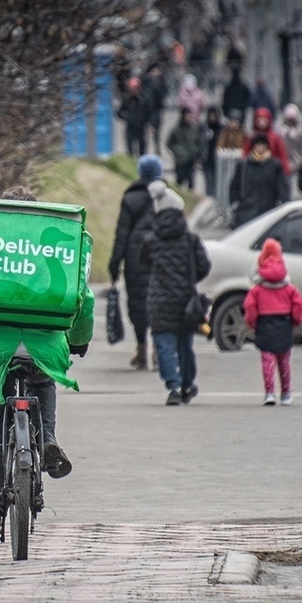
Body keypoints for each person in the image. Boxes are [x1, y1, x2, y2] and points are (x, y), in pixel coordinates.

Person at [0, 186, 94, 544]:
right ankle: (49, 439)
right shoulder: (56, 248)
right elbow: (82, 301)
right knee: (43, 382)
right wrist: (78, 340)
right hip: (45, 347)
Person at [139, 180, 211, 406]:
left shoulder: (151, 240)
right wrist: (189, 279)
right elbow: (204, 266)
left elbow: (142, 264)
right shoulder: (191, 240)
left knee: (164, 346)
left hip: (158, 301)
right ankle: (188, 383)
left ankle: (174, 385)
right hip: (185, 301)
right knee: (184, 345)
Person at [109, 154, 162, 370]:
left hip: (135, 260)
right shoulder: (166, 197)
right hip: (161, 258)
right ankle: (160, 350)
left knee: (138, 304)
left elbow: (121, 234)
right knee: (160, 304)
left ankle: (141, 349)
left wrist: (114, 264)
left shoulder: (131, 198)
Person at [242, 239, 302, 406]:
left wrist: (252, 323)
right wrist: (296, 320)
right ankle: (286, 393)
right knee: (284, 361)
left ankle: (269, 392)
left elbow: (249, 306)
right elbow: (299, 304)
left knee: (267, 360)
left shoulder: (258, 289)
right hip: (284, 323)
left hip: (265, 323)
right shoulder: (289, 288)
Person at [230, 133, 290, 228]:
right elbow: (235, 185)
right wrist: (234, 204)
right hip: (245, 213)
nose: (260, 148)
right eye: (258, 145)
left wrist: (285, 206)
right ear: (253, 147)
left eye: (263, 145)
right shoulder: (243, 165)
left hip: (268, 212)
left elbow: (282, 187)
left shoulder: (275, 165)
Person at [166, 107, 208, 192]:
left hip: (191, 160)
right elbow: (169, 143)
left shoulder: (194, 128)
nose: (189, 118)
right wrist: (178, 151)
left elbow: (200, 142)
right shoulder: (176, 129)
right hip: (180, 161)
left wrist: (196, 152)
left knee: (191, 183)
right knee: (179, 183)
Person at [242, 107, 291, 175]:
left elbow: (282, 154)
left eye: (264, 120)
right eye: (259, 120)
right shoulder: (252, 137)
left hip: (271, 172)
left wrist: (285, 170)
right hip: (254, 170)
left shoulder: (275, 138)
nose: (262, 123)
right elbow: (245, 154)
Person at [118, 76, 151, 156]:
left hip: (141, 126)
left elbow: (150, 112)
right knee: (130, 150)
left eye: (135, 89)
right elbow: (119, 112)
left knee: (142, 149)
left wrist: (148, 123)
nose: (133, 91)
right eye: (131, 89)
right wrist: (127, 118)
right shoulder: (127, 99)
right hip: (130, 127)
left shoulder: (144, 99)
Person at [140, 63, 170, 152]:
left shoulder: (161, 82)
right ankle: (145, 150)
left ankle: (157, 149)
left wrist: (158, 81)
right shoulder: (146, 81)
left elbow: (164, 93)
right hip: (146, 110)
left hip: (157, 109)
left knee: (156, 131)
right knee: (145, 132)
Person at [275, 103, 302, 174]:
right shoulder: (279, 128)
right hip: (281, 161)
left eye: (292, 119)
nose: (290, 121)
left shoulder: (300, 130)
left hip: (296, 160)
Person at [202, 106, 223, 198]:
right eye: (211, 116)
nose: (213, 118)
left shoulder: (221, 128)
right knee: (209, 180)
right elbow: (199, 142)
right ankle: (209, 197)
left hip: (218, 158)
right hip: (207, 158)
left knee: (218, 180)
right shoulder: (204, 128)